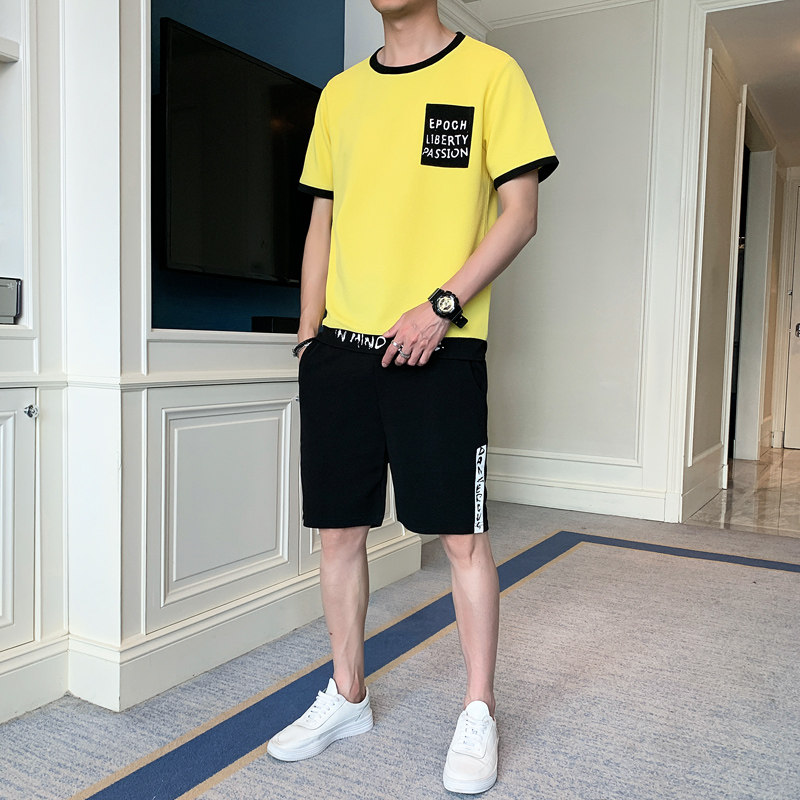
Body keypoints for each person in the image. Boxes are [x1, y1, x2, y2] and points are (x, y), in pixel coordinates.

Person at [266, 0, 557, 793]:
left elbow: (520, 213)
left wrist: (441, 306)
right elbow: (322, 220)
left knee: (462, 539)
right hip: (341, 353)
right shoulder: (340, 94)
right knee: (338, 535)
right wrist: (309, 336)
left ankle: (479, 708)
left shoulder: (491, 74)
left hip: (441, 346)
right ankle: (348, 695)